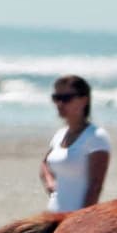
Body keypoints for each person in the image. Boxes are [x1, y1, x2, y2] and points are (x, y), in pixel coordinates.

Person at [40, 75, 110, 212]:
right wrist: (50, 183)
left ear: (84, 100)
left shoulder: (96, 137)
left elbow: (95, 186)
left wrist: (80, 222)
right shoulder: (60, 135)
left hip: (76, 221)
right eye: (56, 98)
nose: (60, 104)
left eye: (66, 98)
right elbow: (45, 164)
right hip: (52, 217)